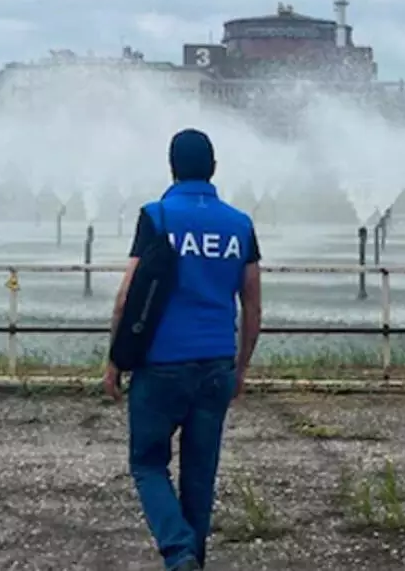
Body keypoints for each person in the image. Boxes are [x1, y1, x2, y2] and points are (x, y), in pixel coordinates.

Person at [104, 128, 263, 571]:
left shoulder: (157, 217)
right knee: (199, 475)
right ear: (214, 169)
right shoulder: (239, 225)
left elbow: (127, 296)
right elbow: (252, 303)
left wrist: (115, 359)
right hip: (215, 365)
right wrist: (241, 367)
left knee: (148, 463)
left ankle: (178, 552)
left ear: (171, 167)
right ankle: (194, 560)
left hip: (160, 366)